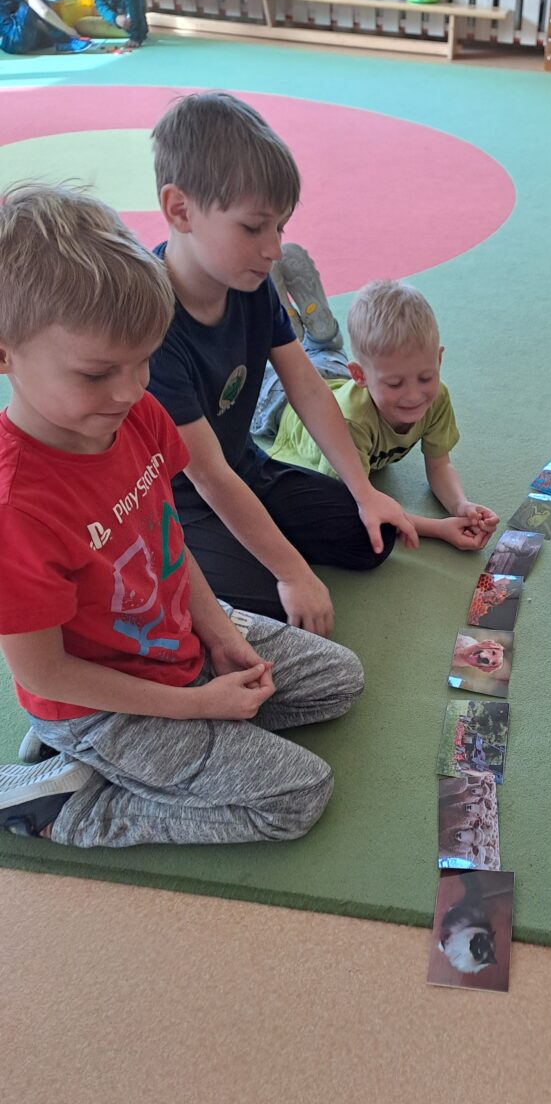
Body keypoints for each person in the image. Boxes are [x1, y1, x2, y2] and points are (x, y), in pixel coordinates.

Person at [0, 185, 364, 846]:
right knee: (298, 795)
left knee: (340, 682)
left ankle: (115, 763)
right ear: (5, 355)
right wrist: (196, 706)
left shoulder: (137, 413)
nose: (131, 389)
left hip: (176, 639)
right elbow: (43, 672)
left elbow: (166, 538)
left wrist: (217, 630)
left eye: (143, 359)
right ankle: (66, 809)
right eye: (96, 373)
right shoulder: (15, 507)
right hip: (96, 704)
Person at [147, 91, 418, 639]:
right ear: (180, 209)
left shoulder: (250, 284)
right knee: (275, 607)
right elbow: (208, 476)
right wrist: (292, 572)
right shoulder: (152, 323)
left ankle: (267, 544)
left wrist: (364, 491)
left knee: (372, 537)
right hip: (181, 505)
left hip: (248, 468)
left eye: (281, 228)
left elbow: (309, 390)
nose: (273, 249)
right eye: (254, 228)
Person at [255, 278, 500, 550]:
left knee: (324, 352)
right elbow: (359, 504)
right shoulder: (352, 423)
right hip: (281, 400)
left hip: (336, 375)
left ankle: (309, 329)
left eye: (426, 377)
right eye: (395, 384)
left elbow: (439, 465)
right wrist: (439, 529)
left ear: (438, 360)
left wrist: (460, 505)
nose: (414, 396)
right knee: (258, 366)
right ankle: (275, 309)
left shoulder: (437, 397)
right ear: (360, 376)